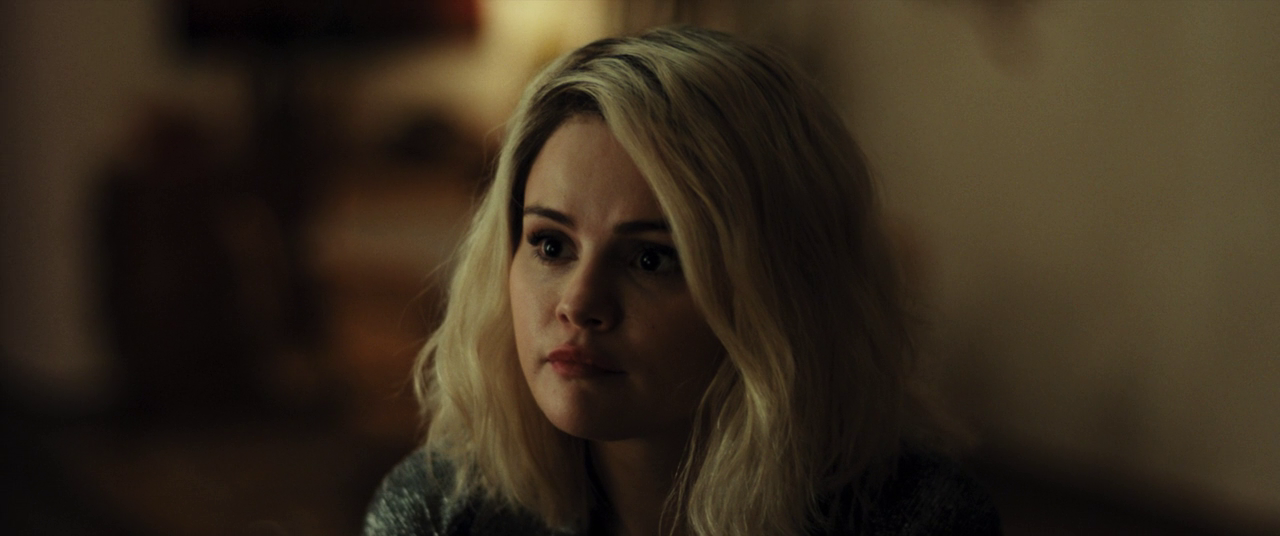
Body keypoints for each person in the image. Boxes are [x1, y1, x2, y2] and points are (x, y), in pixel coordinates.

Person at [364, 26, 1001, 536]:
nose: (580, 304)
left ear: (781, 288)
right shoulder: (438, 510)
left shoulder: (917, 519)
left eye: (652, 260)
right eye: (551, 245)